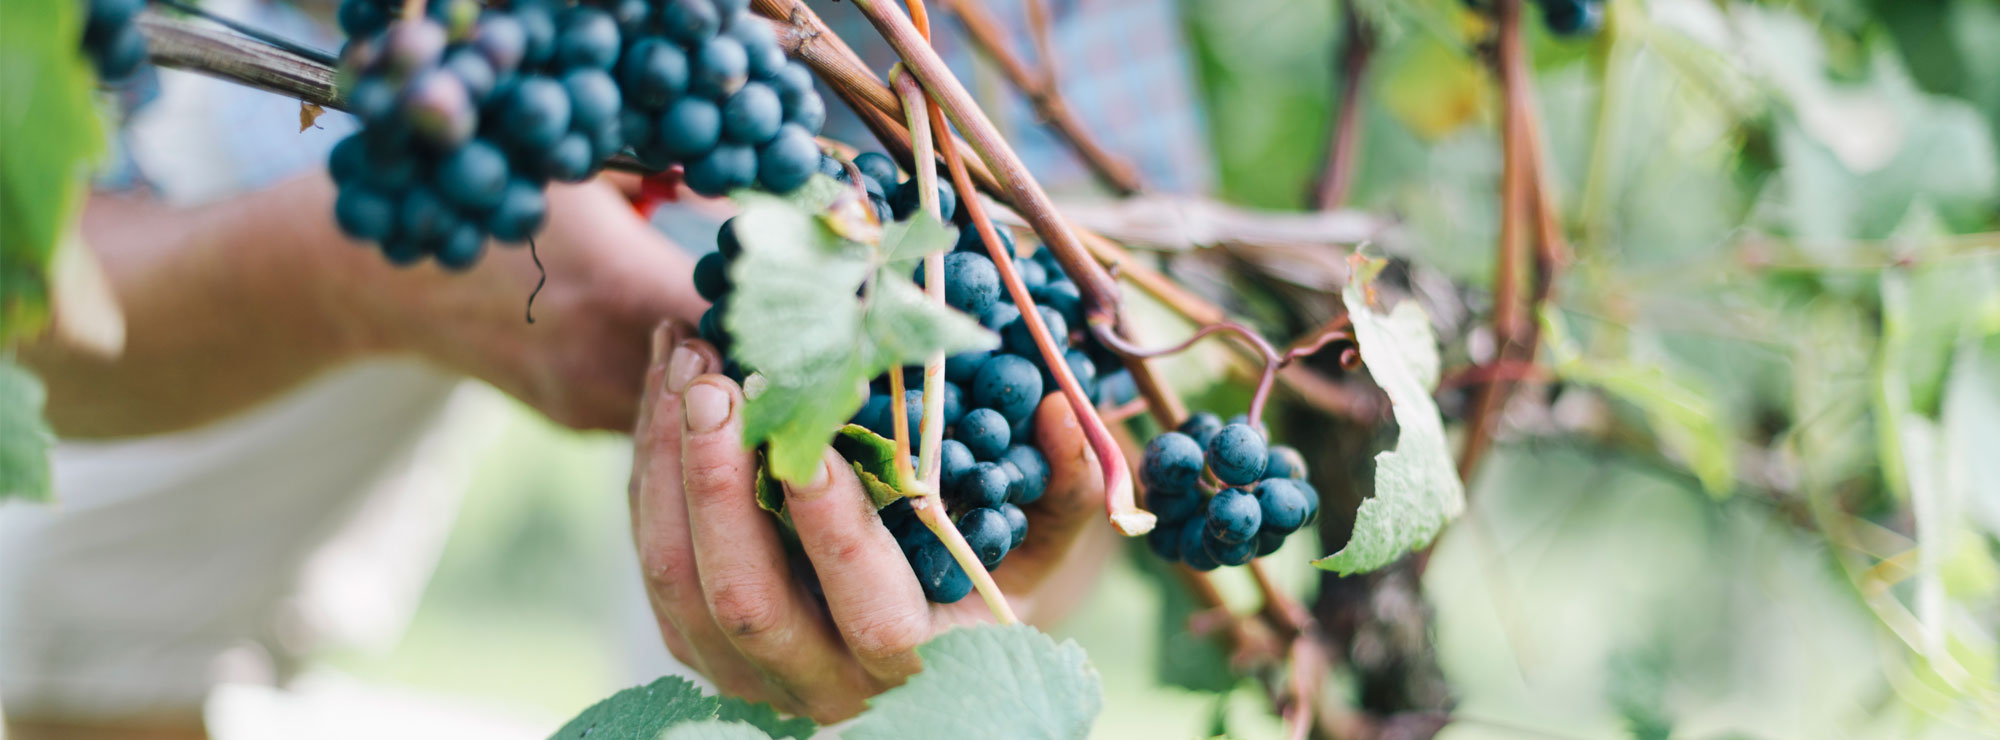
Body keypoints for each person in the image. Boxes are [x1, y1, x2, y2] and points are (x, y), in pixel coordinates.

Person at [1, 0, 1209, 737]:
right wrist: (340, 276)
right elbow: (35, 287)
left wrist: (986, 579)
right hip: (317, 152)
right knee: (62, 596)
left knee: (821, 652)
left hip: (855, 201)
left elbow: (1100, 300)